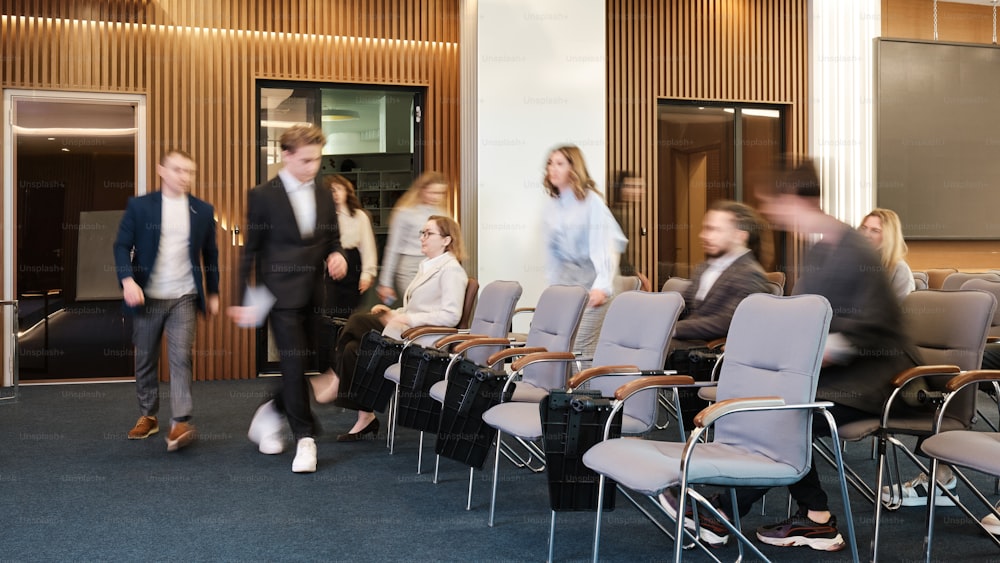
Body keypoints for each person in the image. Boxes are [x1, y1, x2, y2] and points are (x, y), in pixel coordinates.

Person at [660, 158, 920, 552]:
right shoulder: (821, 252)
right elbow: (801, 316)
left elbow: (877, 329)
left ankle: (727, 511)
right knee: (766, 406)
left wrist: (823, 349)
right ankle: (815, 518)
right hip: (829, 373)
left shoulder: (854, 249)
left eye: (776, 205)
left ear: (800, 200)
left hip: (874, 379)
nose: (771, 216)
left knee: (780, 414)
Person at [228, 124, 348, 474]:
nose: (313, 167)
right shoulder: (263, 195)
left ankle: (269, 413)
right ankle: (305, 439)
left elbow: (332, 238)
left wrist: (337, 254)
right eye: (307, 160)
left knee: (306, 362)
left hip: (315, 293)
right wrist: (241, 296)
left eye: (318, 161)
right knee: (294, 364)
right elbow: (250, 251)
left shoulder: (324, 193)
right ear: (287, 155)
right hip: (278, 296)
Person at [317, 215, 468, 441]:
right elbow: (414, 306)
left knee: (358, 320)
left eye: (429, 233)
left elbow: (451, 315)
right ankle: (365, 417)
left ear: (446, 240)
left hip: (423, 341)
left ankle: (336, 377)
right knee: (352, 349)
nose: (422, 238)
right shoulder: (428, 267)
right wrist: (395, 313)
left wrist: (407, 319)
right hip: (406, 332)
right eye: (422, 233)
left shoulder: (451, 271)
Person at [112, 149, 220, 452]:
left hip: (184, 297)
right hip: (148, 297)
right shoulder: (140, 206)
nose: (184, 177)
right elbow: (121, 246)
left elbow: (210, 255)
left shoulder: (202, 210)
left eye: (189, 171)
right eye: (177, 170)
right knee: (145, 357)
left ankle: (180, 420)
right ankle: (149, 415)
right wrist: (127, 280)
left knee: (180, 357)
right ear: (162, 170)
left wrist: (213, 292)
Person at [541, 145, 626, 364]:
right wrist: (553, 289)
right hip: (570, 283)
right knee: (560, 348)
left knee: (579, 350)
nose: (553, 168)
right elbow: (553, 254)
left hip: (595, 282)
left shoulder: (591, 201)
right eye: (550, 163)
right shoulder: (554, 205)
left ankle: (583, 396)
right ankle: (560, 397)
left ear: (574, 168)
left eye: (560, 164)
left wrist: (602, 286)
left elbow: (606, 246)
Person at [672, 200, 770, 343]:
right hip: (684, 341)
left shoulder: (750, 274)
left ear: (740, 236)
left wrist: (673, 329)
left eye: (714, 229)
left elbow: (729, 321)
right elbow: (682, 305)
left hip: (705, 352)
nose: (703, 235)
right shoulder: (703, 267)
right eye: (705, 228)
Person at [375, 171, 449, 306]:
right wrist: (385, 282)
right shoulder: (405, 213)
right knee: (417, 307)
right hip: (410, 268)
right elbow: (393, 248)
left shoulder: (443, 213)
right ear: (422, 190)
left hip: (435, 267)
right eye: (432, 192)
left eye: (440, 193)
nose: (436, 197)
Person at [323, 174, 378, 318]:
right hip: (332, 264)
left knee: (351, 313)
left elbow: (368, 247)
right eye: (331, 190)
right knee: (330, 311)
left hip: (354, 263)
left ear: (347, 191)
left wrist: (367, 274)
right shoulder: (324, 217)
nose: (335, 194)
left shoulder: (360, 216)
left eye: (339, 189)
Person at [859, 208, 915, 301]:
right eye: (864, 228)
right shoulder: (854, 264)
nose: (866, 234)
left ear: (888, 237)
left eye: (875, 231)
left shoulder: (899, 270)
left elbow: (900, 312)